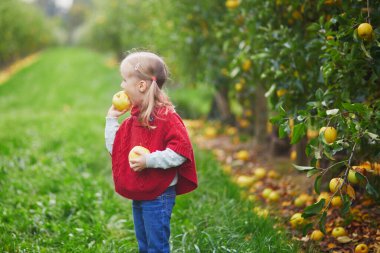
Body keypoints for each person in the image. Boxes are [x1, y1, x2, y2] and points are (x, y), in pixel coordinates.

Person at [104, 51, 198, 253]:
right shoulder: (133, 120)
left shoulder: (167, 118)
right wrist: (111, 120)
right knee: (144, 245)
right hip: (140, 193)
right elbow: (117, 150)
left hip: (159, 194)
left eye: (124, 80)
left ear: (141, 85)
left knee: (156, 246)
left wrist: (149, 160)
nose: (121, 86)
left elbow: (180, 151)